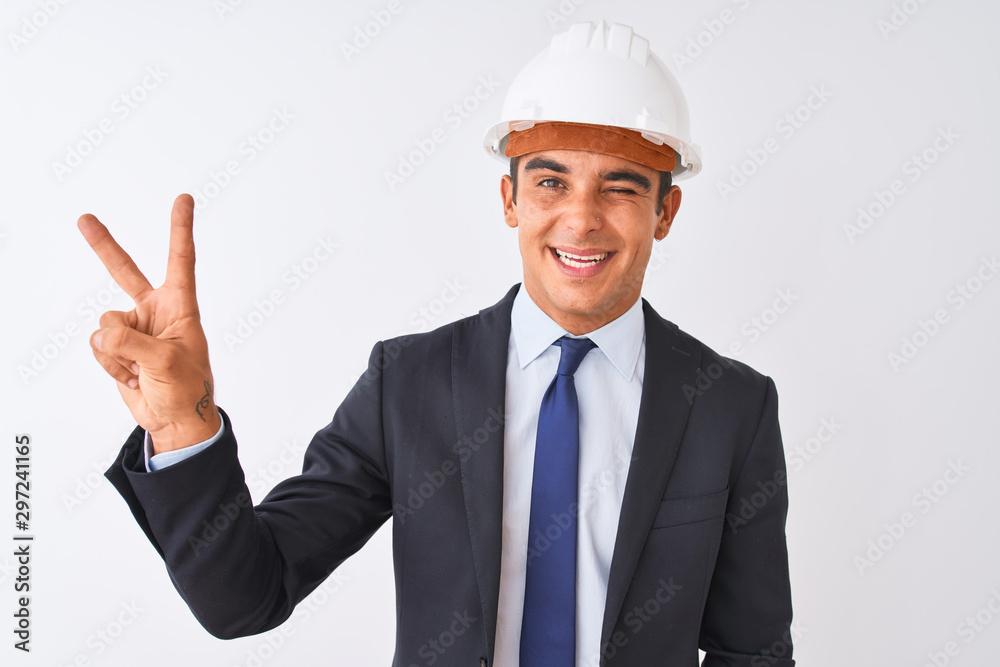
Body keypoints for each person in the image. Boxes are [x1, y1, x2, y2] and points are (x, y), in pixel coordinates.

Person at [80, 20, 794, 667]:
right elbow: (246, 598)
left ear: (665, 210)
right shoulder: (409, 382)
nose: (581, 220)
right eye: (550, 182)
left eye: (621, 188)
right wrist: (182, 425)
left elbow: (752, 652)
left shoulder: (731, 405)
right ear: (510, 199)